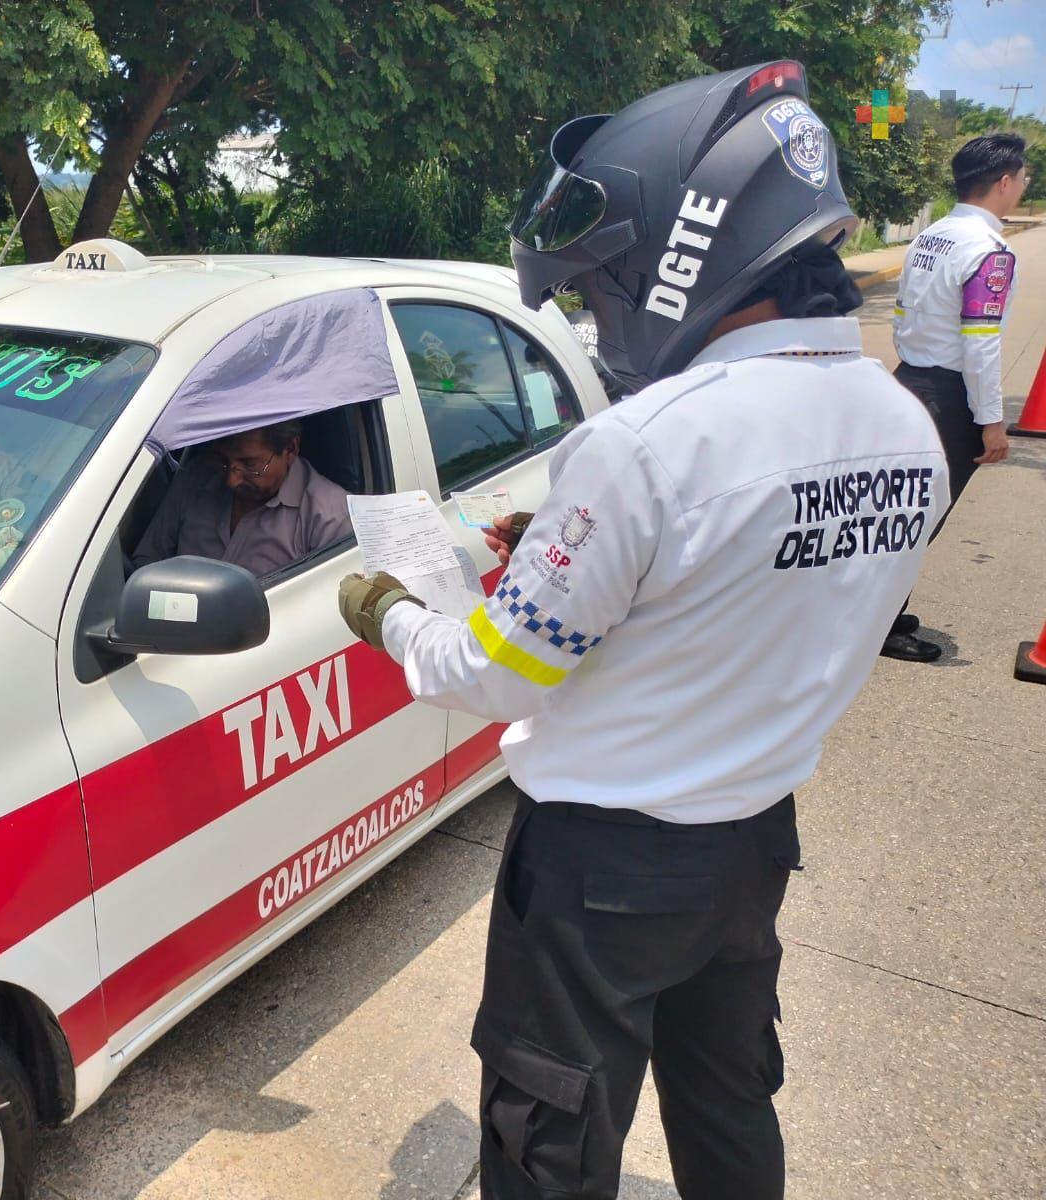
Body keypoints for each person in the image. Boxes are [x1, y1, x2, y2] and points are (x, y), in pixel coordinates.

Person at [338, 62, 949, 1200]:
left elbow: (497, 672)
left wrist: (391, 614)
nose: (600, 312)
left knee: (550, 1136)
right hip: (752, 839)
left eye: (604, 284)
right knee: (727, 1100)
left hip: (603, 870)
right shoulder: (905, 427)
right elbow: (756, 587)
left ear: (687, 255)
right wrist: (584, 557)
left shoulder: (651, 443)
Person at [884, 132, 1028, 661]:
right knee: (920, 516)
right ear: (1004, 182)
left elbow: (903, 311)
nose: (1024, 185)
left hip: (908, 380)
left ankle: (877, 609)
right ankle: (881, 624)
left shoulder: (931, 236)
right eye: (1023, 178)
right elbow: (981, 343)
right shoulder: (989, 252)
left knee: (895, 508)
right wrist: (991, 421)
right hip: (948, 396)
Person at [134, 418, 353, 577]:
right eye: (224, 462)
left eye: (249, 465)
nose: (232, 480)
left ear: (290, 449)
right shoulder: (196, 478)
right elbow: (147, 562)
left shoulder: (331, 516)